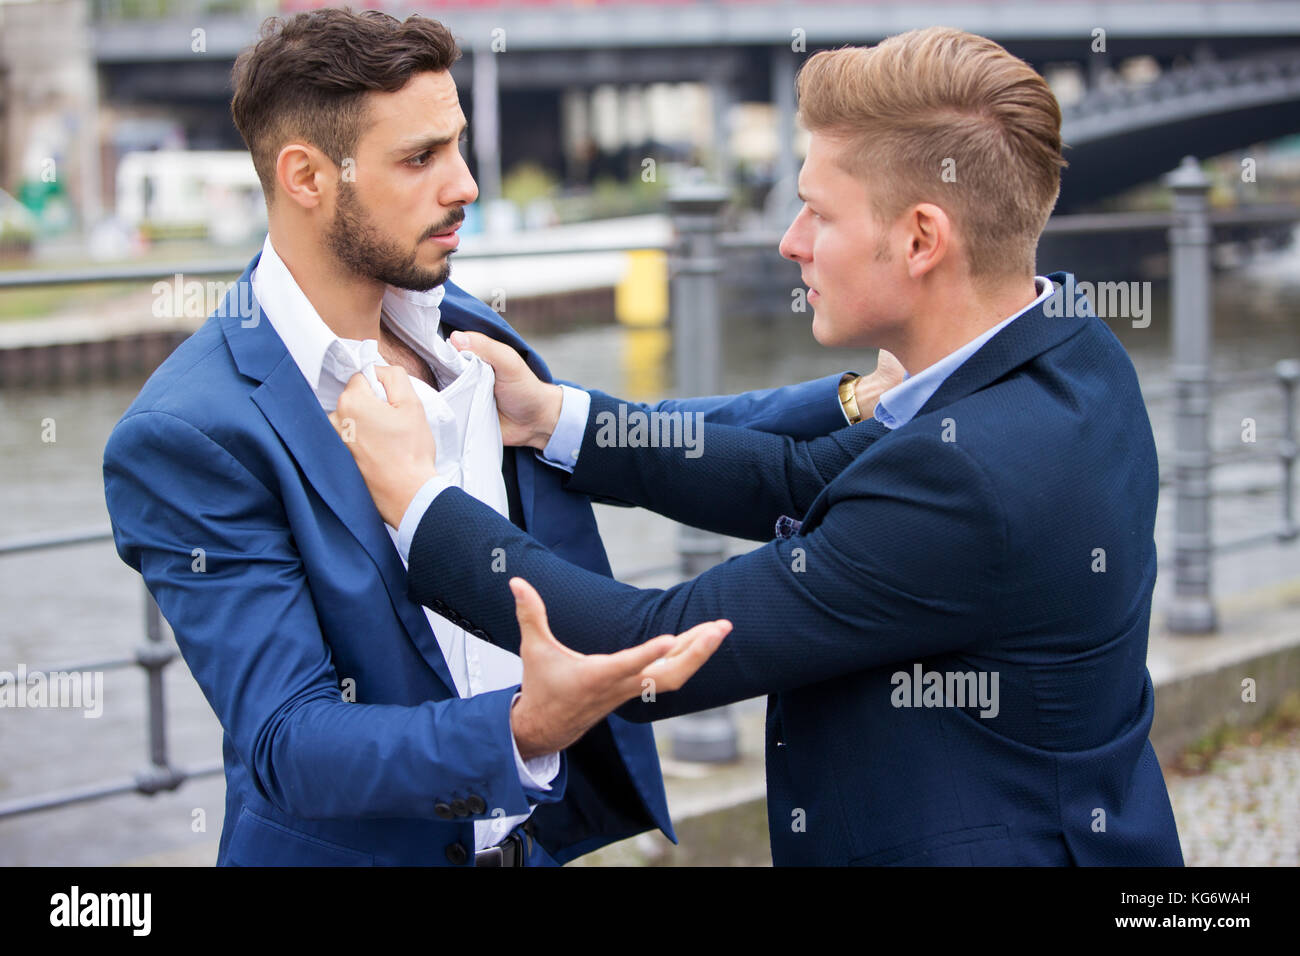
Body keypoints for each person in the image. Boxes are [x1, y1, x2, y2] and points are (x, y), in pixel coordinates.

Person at [332, 26, 1185, 866]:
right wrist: (552, 415)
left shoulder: (964, 477)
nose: (790, 242)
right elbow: (791, 474)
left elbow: (656, 650)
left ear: (922, 239)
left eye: (816, 212)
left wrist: (418, 500)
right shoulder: (1073, 346)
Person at [102, 8, 889, 867]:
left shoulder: (463, 328)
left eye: (459, 146)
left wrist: (854, 400)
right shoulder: (191, 434)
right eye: (420, 158)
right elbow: (288, 740)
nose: (466, 185)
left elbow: (644, 433)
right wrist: (522, 729)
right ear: (306, 177)